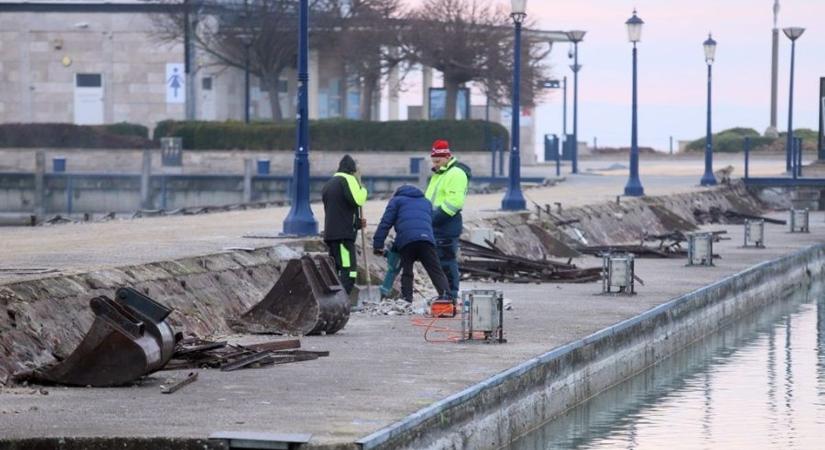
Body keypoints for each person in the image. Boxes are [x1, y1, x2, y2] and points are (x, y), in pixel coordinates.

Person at [372, 185, 450, 303]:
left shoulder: (396, 201)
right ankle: (447, 297)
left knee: (407, 270)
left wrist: (378, 245)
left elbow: (385, 223)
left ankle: (407, 300)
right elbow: (427, 223)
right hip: (427, 240)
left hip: (406, 240)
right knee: (436, 270)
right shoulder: (426, 202)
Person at [424, 139, 471, 299]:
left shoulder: (456, 174)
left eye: (438, 160)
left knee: (447, 262)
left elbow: (454, 202)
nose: (435, 164)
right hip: (436, 224)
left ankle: (450, 295)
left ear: (447, 157)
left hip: (445, 224)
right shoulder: (439, 174)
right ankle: (444, 294)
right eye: (433, 160)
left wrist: (433, 219)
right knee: (439, 263)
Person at [321, 155, 368, 294]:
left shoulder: (329, 183)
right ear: (352, 170)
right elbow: (358, 200)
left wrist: (356, 223)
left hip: (331, 235)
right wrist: (363, 189)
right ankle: (342, 299)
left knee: (336, 269)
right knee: (349, 270)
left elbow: (340, 209)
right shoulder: (348, 179)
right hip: (343, 238)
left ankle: (333, 299)